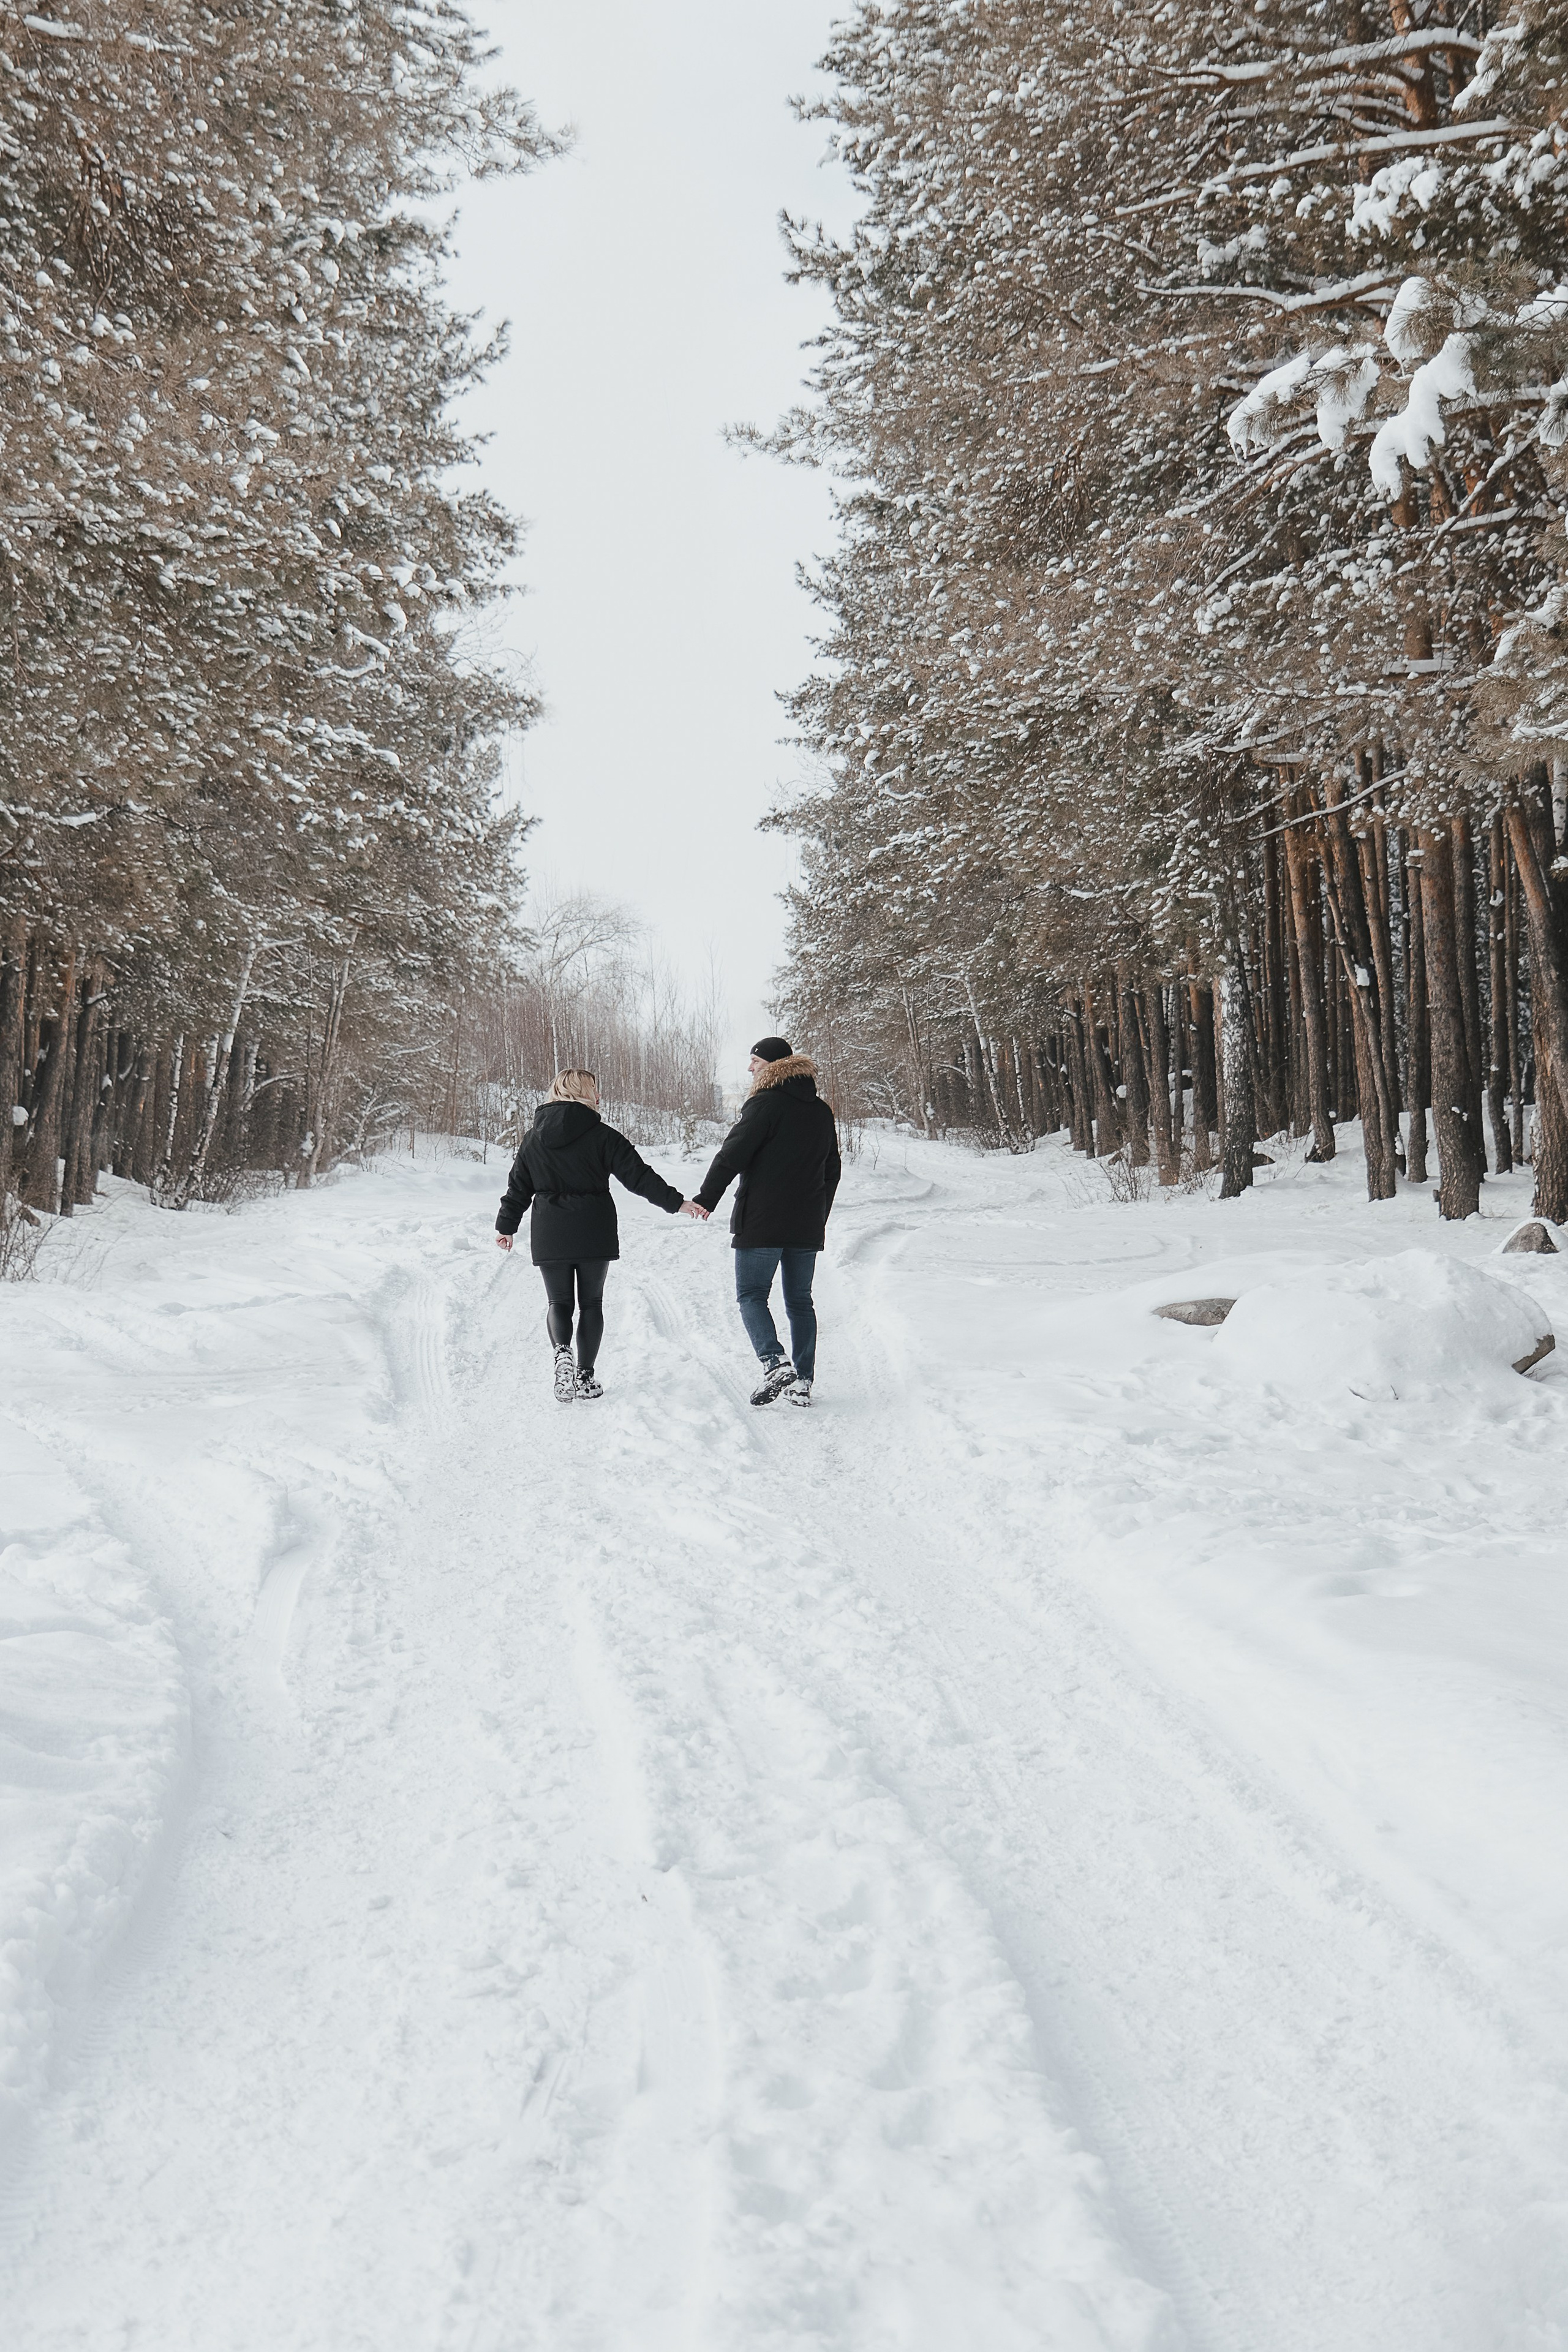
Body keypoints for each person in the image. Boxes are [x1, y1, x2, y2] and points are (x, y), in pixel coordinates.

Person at [495, 1069, 704, 1401]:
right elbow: (638, 1177)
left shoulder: (534, 1137)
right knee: (591, 1303)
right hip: (593, 1226)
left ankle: (562, 1353)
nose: (599, 1096)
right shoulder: (603, 1135)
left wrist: (506, 1226)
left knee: (558, 1302)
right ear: (584, 1093)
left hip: (550, 1228)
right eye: (595, 1089)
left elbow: (518, 1186)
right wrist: (677, 1203)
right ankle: (585, 1377)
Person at [691, 1036, 841, 1408]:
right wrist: (818, 1214)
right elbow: (832, 1169)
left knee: (752, 1295)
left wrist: (706, 1199)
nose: (750, 1068)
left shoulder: (764, 1104)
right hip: (806, 1223)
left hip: (762, 1220)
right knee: (800, 1301)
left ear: (772, 1065)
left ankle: (774, 1362)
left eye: (755, 1061)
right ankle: (802, 1381)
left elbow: (731, 1156)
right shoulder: (821, 1110)